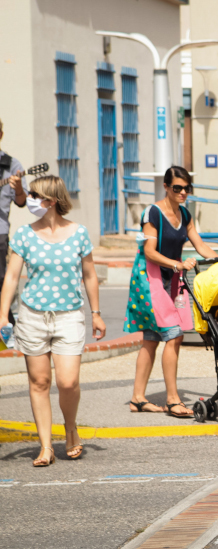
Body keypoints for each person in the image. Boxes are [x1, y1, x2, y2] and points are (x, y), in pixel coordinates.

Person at [0, 176, 106, 466]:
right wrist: (2, 316)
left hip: (69, 316)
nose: (29, 199)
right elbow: (11, 277)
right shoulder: (23, 235)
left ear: (51, 200)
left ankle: (70, 428)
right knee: (40, 381)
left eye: (35, 195)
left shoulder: (79, 233)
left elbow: (89, 275)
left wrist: (96, 313)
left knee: (68, 381)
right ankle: (45, 446)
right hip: (32, 316)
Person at [126, 166, 218, 418]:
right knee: (174, 335)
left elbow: (199, 244)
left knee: (152, 338)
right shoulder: (152, 212)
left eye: (187, 188)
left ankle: (137, 399)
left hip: (170, 278)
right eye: (177, 188)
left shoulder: (185, 215)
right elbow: (149, 252)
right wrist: (177, 264)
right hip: (148, 278)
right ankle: (173, 401)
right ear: (166, 187)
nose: (183, 192)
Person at [0, 118, 28, 325]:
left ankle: (5, 324)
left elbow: (21, 202)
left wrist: (17, 187)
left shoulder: (11, 165)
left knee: (1, 279)